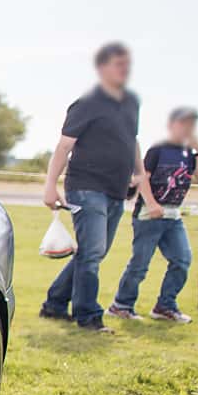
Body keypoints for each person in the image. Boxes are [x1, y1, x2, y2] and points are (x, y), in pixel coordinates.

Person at [40, 41, 152, 333]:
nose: (125, 70)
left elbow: (133, 140)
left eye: (128, 64)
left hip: (116, 189)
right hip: (86, 187)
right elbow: (65, 145)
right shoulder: (88, 102)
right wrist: (50, 185)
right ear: (102, 68)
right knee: (92, 253)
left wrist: (139, 173)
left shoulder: (131, 102)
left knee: (93, 252)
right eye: (118, 64)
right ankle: (88, 316)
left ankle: (54, 304)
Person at [109, 106, 198, 323]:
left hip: (173, 216)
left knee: (182, 260)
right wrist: (152, 203)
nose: (188, 128)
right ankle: (121, 305)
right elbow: (142, 177)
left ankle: (165, 305)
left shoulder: (189, 153)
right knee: (140, 264)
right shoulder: (158, 150)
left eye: (192, 124)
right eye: (184, 123)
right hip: (149, 216)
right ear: (172, 124)